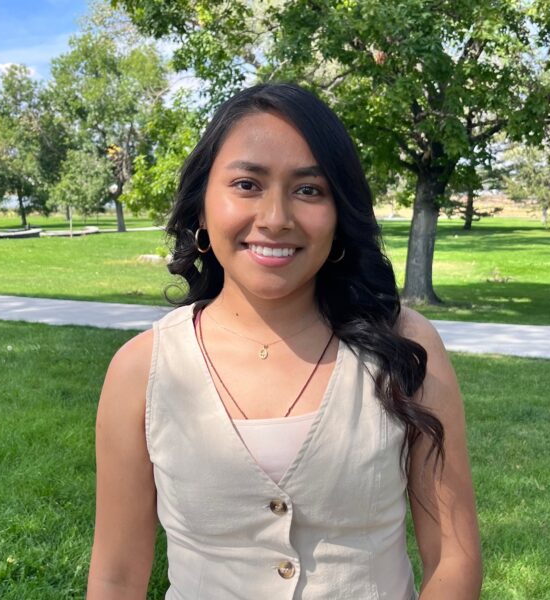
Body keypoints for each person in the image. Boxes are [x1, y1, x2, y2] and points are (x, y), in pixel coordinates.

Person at [87, 82, 481, 599]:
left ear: (340, 215)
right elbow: (116, 575)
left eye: (309, 190)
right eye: (247, 184)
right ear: (202, 207)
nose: (275, 218)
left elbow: (454, 556)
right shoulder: (142, 369)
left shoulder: (405, 348)